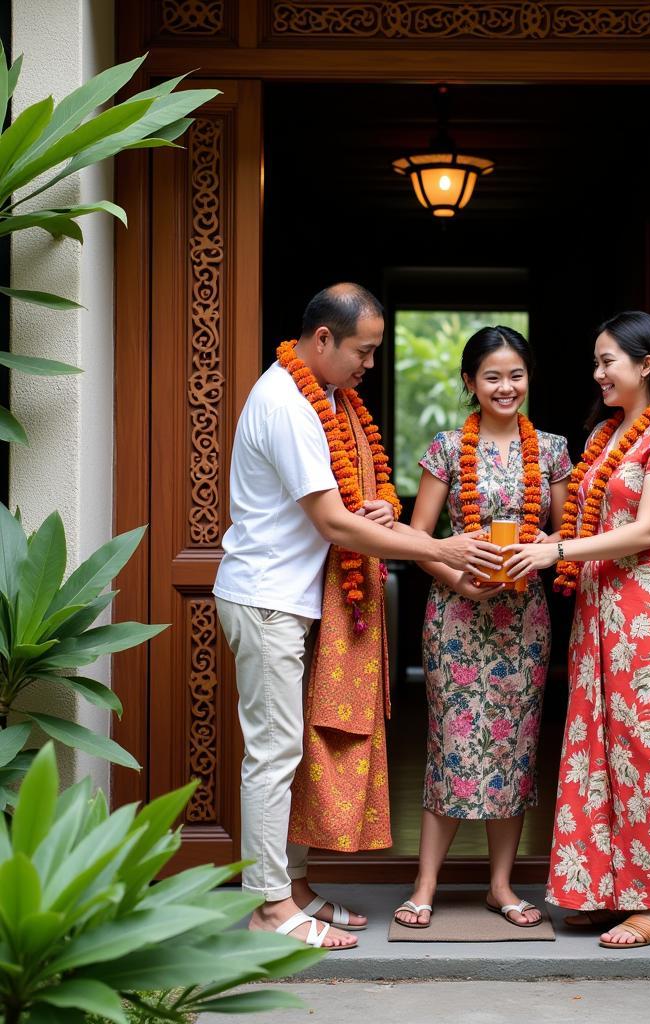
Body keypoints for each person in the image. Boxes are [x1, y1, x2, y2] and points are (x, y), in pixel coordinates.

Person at [213, 283, 502, 950]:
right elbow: (330, 521)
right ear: (322, 341)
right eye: (363, 352)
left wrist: (375, 512)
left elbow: (344, 510)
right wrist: (438, 546)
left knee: (298, 748)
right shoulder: (287, 403)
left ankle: (296, 886)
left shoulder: (329, 403)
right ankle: (269, 908)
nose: (370, 364)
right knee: (275, 752)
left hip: (298, 598)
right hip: (266, 599)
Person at [504, 310, 650, 949]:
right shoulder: (606, 436)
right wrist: (555, 540)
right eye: (595, 361)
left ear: (646, 364)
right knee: (597, 751)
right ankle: (602, 890)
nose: (597, 374)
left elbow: (648, 530)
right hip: (602, 612)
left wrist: (558, 554)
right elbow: (594, 524)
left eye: (607, 361)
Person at [393, 325, 572, 930]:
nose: (506, 386)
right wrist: (454, 573)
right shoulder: (447, 447)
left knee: (514, 748)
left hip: (524, 620)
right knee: (451, 745)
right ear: (470, 383)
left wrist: (541, 549)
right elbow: (415, 539)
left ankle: (501, 885)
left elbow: (562, 535)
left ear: (529, 377)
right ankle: (424, 886)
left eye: (515, 374)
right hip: (457, 618)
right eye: (492, 376)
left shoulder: (551, 449)